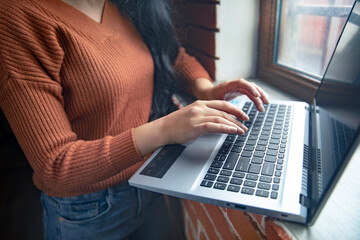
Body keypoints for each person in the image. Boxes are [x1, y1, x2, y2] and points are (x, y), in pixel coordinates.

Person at [0, 0, 269, 239]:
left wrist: (206, 88)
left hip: (148, 180)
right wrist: (166, 129)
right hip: (87, 209)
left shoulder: (127, 5)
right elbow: (56, 166)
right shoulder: (17, 17)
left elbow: (172, 56)